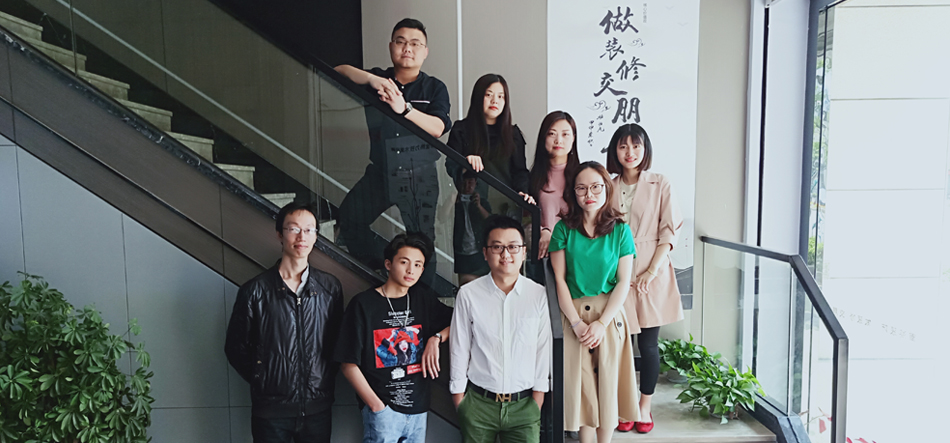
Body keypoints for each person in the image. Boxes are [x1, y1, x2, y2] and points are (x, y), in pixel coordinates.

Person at [335, 18, 452, 285]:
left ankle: (422, 300)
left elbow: (438, 127)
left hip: (419, 177)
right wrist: (372, 79)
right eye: (400, 42)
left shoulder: (435, 87)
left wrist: (405, 109)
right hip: (381, 172)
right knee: (349, 218)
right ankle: (387, 268)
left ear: (425, 51)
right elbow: (338, 71)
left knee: (422, 241)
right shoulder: (378, 79)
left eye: (415, 44)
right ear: (391, 46)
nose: (407, 48)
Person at [225, 202, 344, 443]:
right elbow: (236, 347)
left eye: (309, 230)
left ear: (316, 236)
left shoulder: (330, 288)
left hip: (317, 408)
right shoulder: (255, 290)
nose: (302, 237)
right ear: (280, 234)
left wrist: (321, 379)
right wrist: (264, 378)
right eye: (294, 229)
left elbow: (337, 342)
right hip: (270, 411)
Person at [334, 232, 453, 443]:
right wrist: (376, 406)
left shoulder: (422, 299)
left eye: (418, 265)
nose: (411, 270)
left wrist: (436, 338)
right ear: (388, 264)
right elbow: (348, 363)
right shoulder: (364, 304)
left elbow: (461, 321)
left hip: (418, 411)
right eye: (404, 262)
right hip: (383, 412)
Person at [549, 162, 638, 443]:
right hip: (572, 313)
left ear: (607, 189)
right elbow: (559, 280)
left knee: (608, 385)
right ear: (573, 192)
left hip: (608, 315)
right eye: (582, 188)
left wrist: (601, 323)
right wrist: (576, 323)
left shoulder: (621, 231)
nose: (589, 194)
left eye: (596, 187)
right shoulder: (563, 229)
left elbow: (623, 282)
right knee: (582, 387)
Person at [606, 124, 684, 434]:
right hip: (617, 271)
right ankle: (624, 404)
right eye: (623, 146)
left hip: (652, 270)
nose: (630, 152)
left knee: (649, 345)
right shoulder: (608, 185)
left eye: (636, 146)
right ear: (615, 150)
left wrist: (652, 271)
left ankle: (644, 406)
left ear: (645, 149)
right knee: (621, 343)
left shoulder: (660, 182)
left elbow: (669, 231)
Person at [450, 216, 552, 443]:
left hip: (524, 406)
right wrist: (459, 400)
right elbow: (459, 347)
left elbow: (542, 350)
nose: (506, 254)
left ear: (524, 252)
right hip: (478, 404)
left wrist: (537, 400)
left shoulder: (538, 295)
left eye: (513, 247)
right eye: (497, 247)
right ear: (485, 253)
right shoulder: (468, 294)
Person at [447, 73, 533, 284]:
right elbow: (450, 167)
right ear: (478, 97)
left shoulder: (513, 134)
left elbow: (520, 172)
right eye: (489, 95)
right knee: (471, 279)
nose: (495, 101)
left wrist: (524, 193)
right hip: (470, 212)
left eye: (501, 96)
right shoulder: (462, 130)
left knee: (506, 275)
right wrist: (466, 162)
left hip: (505, 212)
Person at [528, 111, 580, 260]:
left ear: (573, 138)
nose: (558, 140)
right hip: (542, 255)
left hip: (574, 254)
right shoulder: (532, 178)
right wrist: (542, 231)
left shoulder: (582, 176)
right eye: (552, 134)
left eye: (565, 134)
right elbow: (525, 219)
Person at [452, 170, 493, 284]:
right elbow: (442, 218)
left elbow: (490, 220)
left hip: (478, 250)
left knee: (482, 284)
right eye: (464, 183)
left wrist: (478, 206)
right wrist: (452, 202)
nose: (467, 186)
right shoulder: (455, 202)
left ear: (475, 183)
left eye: (470, 182)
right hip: (461, 251)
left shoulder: (481, 201)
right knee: (464, 285)